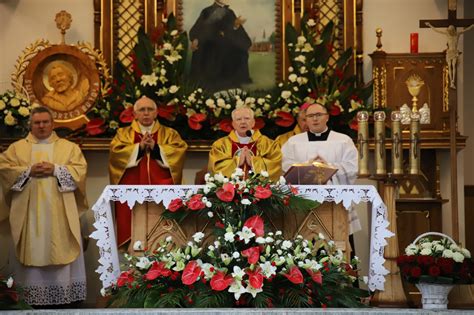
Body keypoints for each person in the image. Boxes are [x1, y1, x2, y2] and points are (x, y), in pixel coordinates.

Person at [0, 106, 88, 306]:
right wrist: (27, 171)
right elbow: (5, 169)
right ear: (30, 124)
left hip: (60, 215)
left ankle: (65, 300)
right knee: (30, 249)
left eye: (45, 122)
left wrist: (56, 169)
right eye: (37, 122)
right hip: (29, 216)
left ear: (52, 124)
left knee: (61, 245)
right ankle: (29, 299)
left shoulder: (68, 147)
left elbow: (80, 171)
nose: (41, 126)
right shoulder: (17, 148)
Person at [109, 96, 188, 248]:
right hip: (132, 191)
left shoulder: (170, 134)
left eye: (150, 109)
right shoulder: (123, 134)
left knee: (164, 236)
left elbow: (178, 152)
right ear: (135, 114)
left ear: (156, 113)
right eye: (142, 110)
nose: (146, 113)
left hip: (162, 191)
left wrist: (157, 149)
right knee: (133, 234)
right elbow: (116, 154)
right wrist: (138, 148)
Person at [281, 103, 361, 234]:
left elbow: (353, 167)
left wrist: (329, 167)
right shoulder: (294, 142)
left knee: (339, 239)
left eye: (318, 115)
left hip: (335, 202)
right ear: (305, 119)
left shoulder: (343, 140)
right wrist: (307, 166)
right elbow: (284, 166)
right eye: (310, 116)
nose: (315, 119)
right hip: (303, 201)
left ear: (327, 117)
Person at [189, 0, 252, 92]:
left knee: (240, 51)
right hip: (209, 45)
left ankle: (231, 83)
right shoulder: (207, 11)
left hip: (226, 45)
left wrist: (235, 26)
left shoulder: (230, 12)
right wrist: (195, 39)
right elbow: (198, 28)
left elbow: (231, 30)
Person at [208, 107, 281, 181]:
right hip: (230, 190)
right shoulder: (220, 145)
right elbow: (215, 168)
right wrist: (237, 161)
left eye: (247, 118)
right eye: (238, 119)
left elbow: (275, 166)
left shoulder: (268, 144)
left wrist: (253, 161)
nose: (243, 122)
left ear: (253, 122)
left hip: (259, 190)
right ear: (233, 124)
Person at [425, 22, 474, 88]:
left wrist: (472, 25)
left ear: (453, 30)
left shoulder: (457, 34)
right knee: (450, 66)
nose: (450, 31)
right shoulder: (447, 34)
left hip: (454, 52)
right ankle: (451, 81)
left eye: (451, 30)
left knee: (453, 66)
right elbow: (437, 30)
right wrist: (430, 25)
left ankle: (453, 81)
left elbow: (466, 30)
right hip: (449, 52)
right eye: (449, 30)